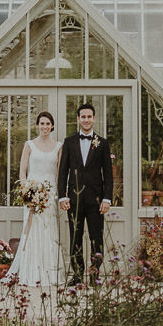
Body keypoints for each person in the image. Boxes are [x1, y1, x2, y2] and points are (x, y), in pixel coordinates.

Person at [3, 110, 63, 287]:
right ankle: (31, 272)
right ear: (37, 125)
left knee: (48, 232)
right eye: (42, 123)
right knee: (33, 231)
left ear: (52, 126)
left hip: (50, 196)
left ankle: (50, 275)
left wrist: (57, 194)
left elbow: (59, 173)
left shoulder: (59, 146)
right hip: (32, 194)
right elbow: (22, 170)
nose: (45, 127)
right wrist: (27, 192)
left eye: (48, 123)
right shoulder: (29, 145)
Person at [55, 101, 113, 284]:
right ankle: (78, 276)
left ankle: (95, 275)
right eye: (83, 117)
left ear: (94, 119)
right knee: (76, 238)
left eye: (89, 117)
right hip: (75, 199)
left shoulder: (102, 143)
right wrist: (62, 196)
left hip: (96, 200)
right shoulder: (69, 142)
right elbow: (62, 171)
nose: (86, 120)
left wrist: (107, 198)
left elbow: (108, 174)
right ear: (78, 119)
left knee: (97, 238)